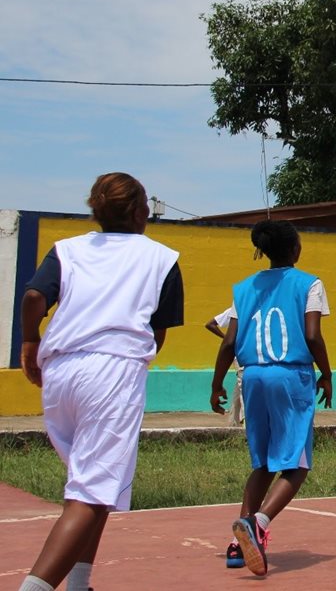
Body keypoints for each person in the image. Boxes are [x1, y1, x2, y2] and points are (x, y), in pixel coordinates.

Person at [18, 172, 184, 591]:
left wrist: (29, 341)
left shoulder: (67, 250)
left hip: (60, 370)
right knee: (91, 493)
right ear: (139, 210)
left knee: (90, 485)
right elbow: (158, 331)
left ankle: (79, 584)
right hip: (112, 373)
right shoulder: (161, 258)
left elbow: (35, 297)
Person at [211, 220, 332, 576]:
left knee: (262, 463)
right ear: (295, 249)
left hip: (253, 377)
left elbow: (229, 342)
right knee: (296, 464)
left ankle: (238, 541)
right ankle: (259, 523)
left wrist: (217, 384)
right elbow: (312, 335)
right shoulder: (309, 283)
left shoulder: (244, 289)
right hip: (290, 374)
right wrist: (326, 372)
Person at [206, 308, 244, 426]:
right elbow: (210, 324)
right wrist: (227, 339)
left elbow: (210, 324)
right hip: (243, 356)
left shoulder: (237, 307)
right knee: (244, 389)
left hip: (241, 355)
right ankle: (247, 425)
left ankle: (233, 425)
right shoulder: (237, 308)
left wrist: (227, 339)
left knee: (239, 389)